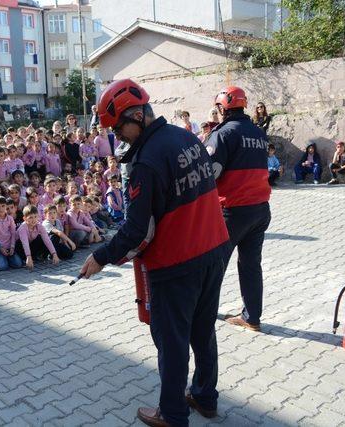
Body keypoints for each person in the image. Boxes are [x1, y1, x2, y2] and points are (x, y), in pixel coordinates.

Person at [81, 79, 229, 427]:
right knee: (203, 328)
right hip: (214, 250)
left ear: (137, 115)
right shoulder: (186, 137)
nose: (119, 137)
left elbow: (137, 231)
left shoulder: (146, 162)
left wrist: (100, 257)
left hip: (177, 263)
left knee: (172, 340)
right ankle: (205, 397)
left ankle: (173, 414)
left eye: (119, 129)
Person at [206, 85, 271, 333]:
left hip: (232, 210)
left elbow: (210, 174)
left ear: (223, 107)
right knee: (250, 265)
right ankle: (252, 317)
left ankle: (205, 311)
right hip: (260, 209)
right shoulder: (258, 133)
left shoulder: (223, 134)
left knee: (214, 262)